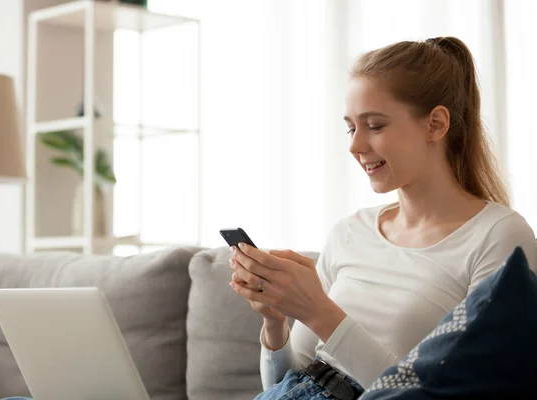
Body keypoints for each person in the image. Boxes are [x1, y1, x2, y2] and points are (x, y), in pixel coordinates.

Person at [228, 36, 537, 400]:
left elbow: (439, 393)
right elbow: (289, 383)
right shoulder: (350, 232)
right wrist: (274, 321)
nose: (355, 145)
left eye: (374, 126)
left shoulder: (499, 236)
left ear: (436, 124)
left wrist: (318, 310)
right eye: (351, 127)